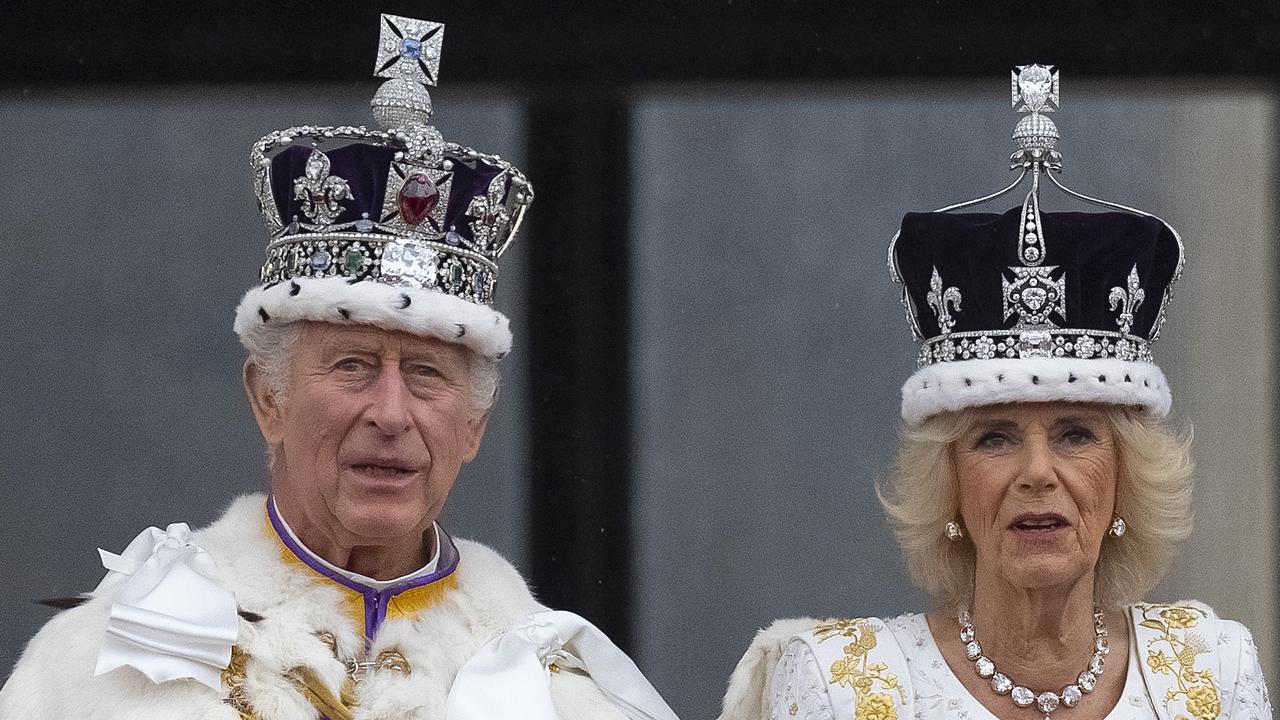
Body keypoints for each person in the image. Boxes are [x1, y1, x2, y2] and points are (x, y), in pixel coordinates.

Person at [0, 14, 677, 720]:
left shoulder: (561, 694)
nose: (390, 414)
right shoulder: (99, 669)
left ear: (474, 423)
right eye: (353, 366)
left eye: (427, 375)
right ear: (268, 398)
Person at [720, 66, 1271, 720]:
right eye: (994, 437)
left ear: (1128, 474)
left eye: (1075, 433)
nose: (1037, 473)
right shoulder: (840, 687)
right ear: (948, 479)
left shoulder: (1211, 672)